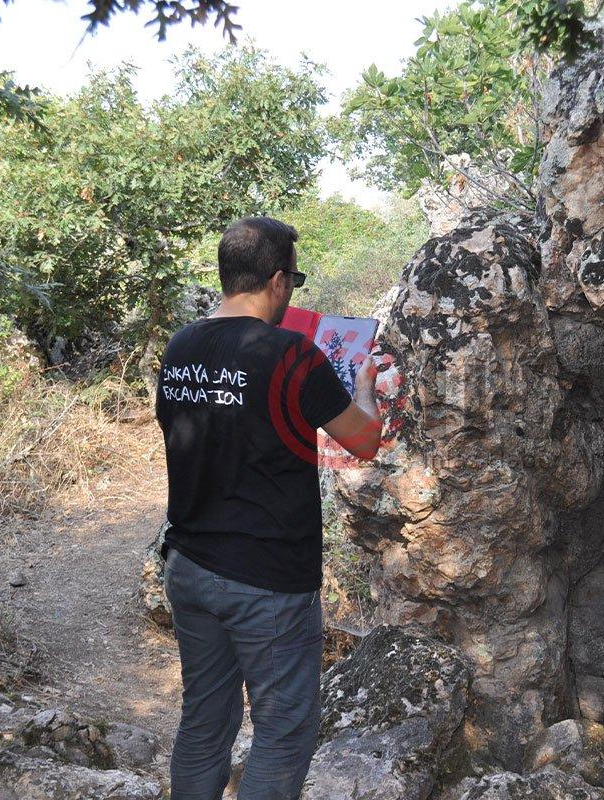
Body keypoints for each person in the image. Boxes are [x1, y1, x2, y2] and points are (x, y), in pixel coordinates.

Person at [154, 215, 382, 800]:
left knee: (204, 720)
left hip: (189, 565)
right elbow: (362, 441)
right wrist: (362, 389)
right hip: (269, 580)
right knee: (283, 731)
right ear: (279, 281)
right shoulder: (292, 354)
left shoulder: (180, 347)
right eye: (295, 281)